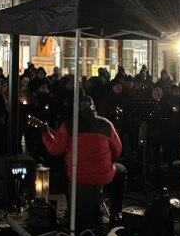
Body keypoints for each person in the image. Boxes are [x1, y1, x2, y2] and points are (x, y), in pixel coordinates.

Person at [42, 95, 126, 223]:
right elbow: (118, 151)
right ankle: (115, 213)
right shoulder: (106, 124)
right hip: (103, 175)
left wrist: (45, 135)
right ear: (93, 108)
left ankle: (70, 209)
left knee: (60, 171)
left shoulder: (68, 125)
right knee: (121, 171)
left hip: (76, 175)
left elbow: (55, 150)